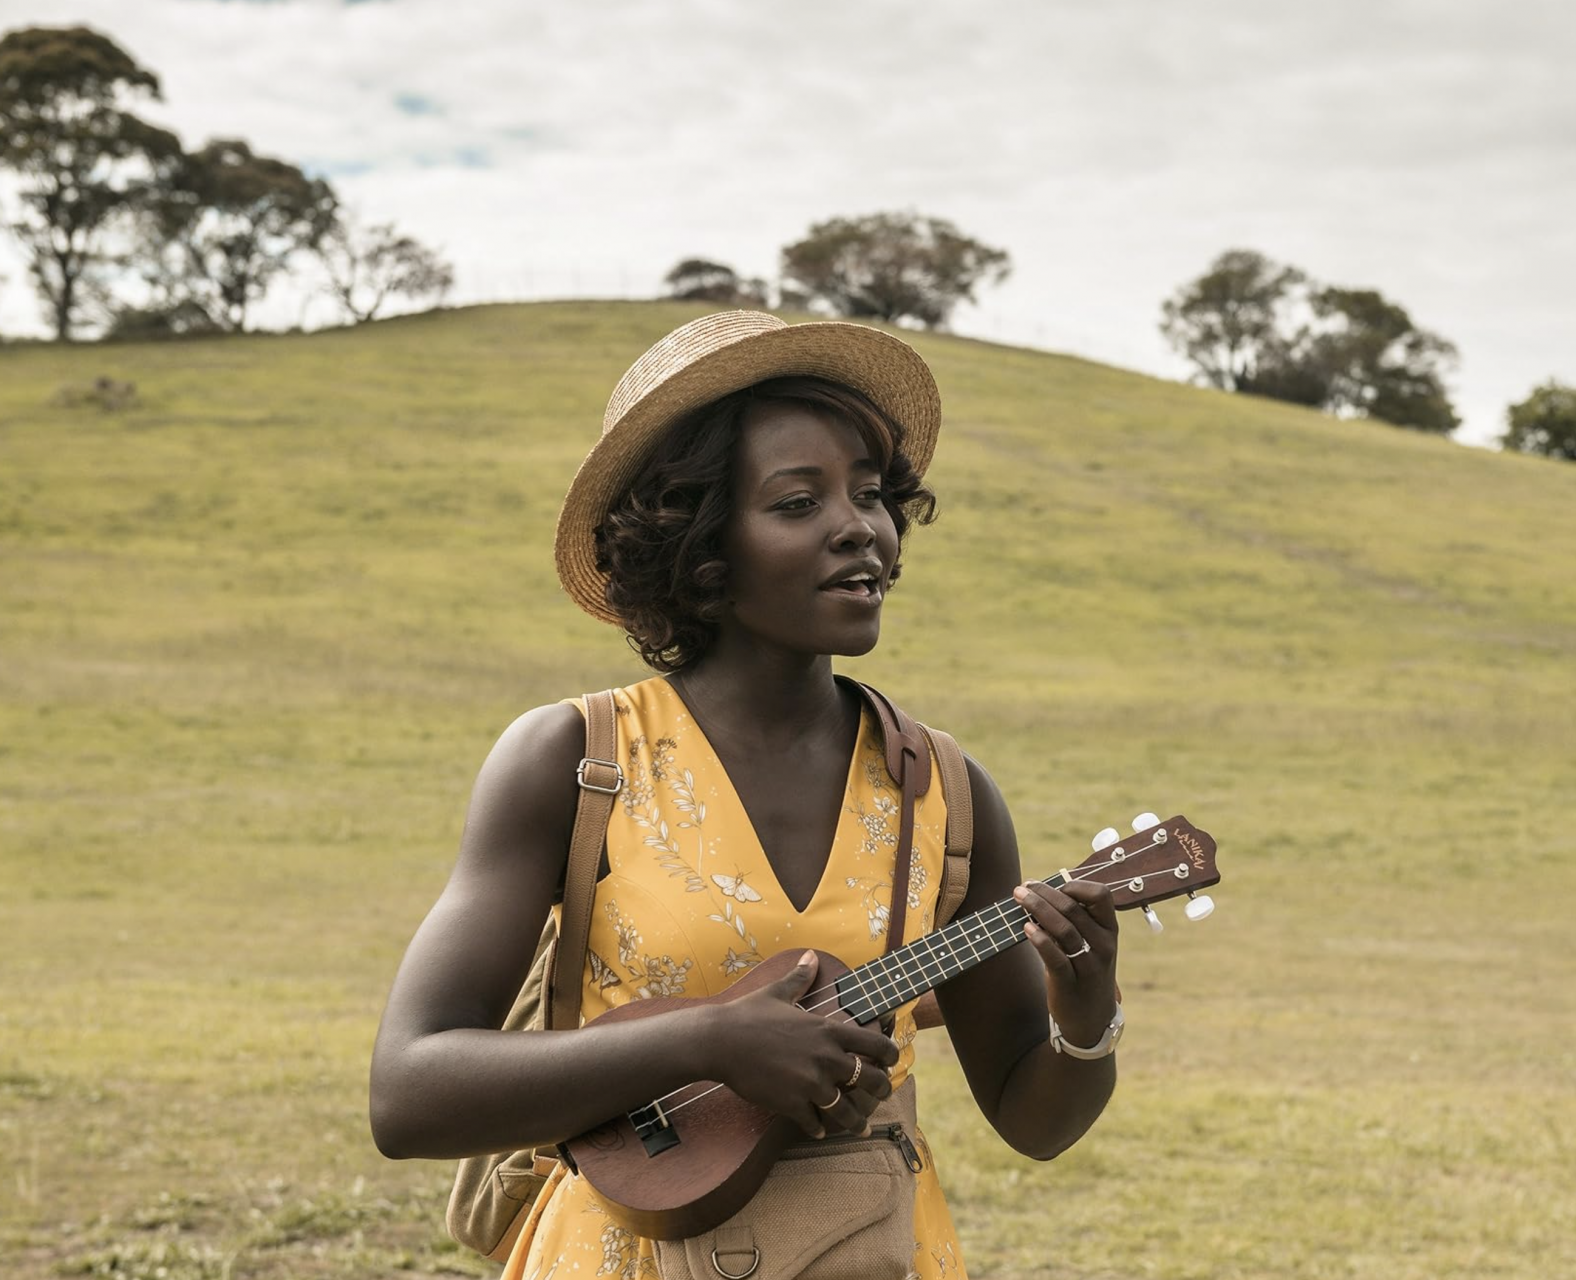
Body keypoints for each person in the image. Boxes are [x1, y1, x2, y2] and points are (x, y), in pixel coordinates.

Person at [369, 310, 1123, 1279]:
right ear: (698, 540)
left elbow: (1035, 1117)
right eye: (799, 501)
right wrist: (709, 1038)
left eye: (874, 493)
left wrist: (1087, 1007)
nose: (862, 525)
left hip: (870, 1249)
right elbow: (410, 1090)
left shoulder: (945, 789)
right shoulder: (574, 756)